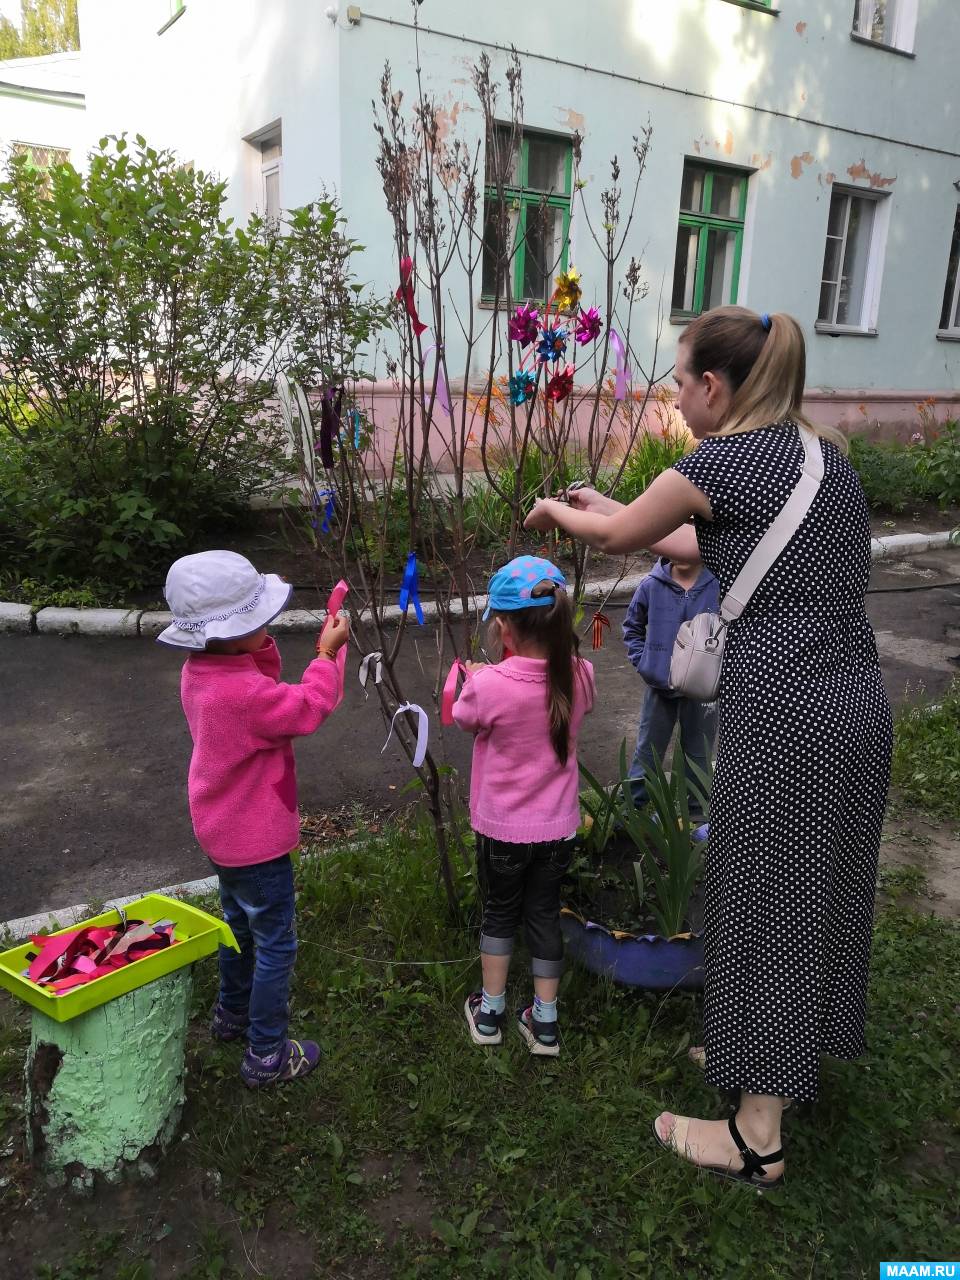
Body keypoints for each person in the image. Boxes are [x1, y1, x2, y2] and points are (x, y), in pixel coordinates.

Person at [524, 307, 891, 1187]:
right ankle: (776, 1061)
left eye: (679, 382)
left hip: (784, 714)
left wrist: (558, 513)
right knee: (813, 892)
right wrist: (617, 507)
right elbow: (715, 537)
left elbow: (621, 540)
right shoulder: (819, 456)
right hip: (853, 704)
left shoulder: (718, 460)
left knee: (765, 897)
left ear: (714, 387)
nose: (676, 397)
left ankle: (755, 1137)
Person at [157, 549, 349, 1088]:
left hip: (221, 832)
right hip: (256, 840)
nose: (266, 626)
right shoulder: (243, 695)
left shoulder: (202, 672)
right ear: (235, 630)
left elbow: (256, 679)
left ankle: (231, 1013)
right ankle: (266, 1052)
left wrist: (258, 646)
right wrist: (326, 656)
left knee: (239, 927)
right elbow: (306, 707)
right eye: (257, 620)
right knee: (275, 943)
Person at [452, 555, 595, 1057]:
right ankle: (545, 1023)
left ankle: (490, 1012)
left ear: (502, 626)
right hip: (557, 831)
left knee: (499, 912)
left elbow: (460, 713)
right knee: (542, 915)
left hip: (504, 831)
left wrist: (464, 678)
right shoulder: (581, 675)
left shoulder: (489, 685)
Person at [622, 552, 719, 817]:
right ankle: (632, 809)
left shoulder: (718, 586)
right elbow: (632, 627)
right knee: (648, 751)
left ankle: (696, 814)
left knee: (699, 752)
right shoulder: (651, 586)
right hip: (659, 688)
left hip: (703, 691)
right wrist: (645, 662)